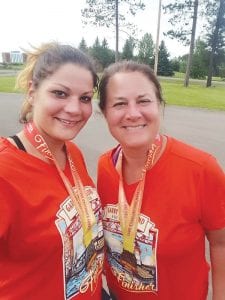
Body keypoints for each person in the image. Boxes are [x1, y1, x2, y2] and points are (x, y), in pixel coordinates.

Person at [97, 60, 225, 300]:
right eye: (119, 104)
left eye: (144, 101)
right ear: (104, 112)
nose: (133, 113)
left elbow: (221, 244)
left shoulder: (200, 169)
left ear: (159, 106)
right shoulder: (105, 165)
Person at [0, 42, 104, 299]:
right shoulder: (4, 170)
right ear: (32, 91)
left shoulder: (73, 154)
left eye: (85, 98)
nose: (74, 109)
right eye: (59, 93)